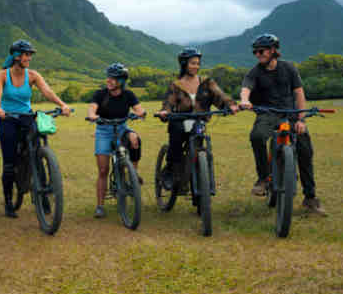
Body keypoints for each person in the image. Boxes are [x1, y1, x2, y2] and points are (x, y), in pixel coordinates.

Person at [239, 34, 326, 215]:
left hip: (290, 114)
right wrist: (244, 100)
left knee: (305, 151)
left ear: (273, 50)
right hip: (267, 114)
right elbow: (246, 88)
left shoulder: (289, 68)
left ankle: (310, 198)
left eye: (261, 51)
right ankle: (263, 178)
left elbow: (299, 95)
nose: (257, 54)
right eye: (255, 51)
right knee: (256, 136)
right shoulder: (255, 72)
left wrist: (301, 120)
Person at [0, 40, 71, 218]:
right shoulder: (2, 75)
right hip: (8, 119)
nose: (29, 58)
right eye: (26, 54)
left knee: (37, 154)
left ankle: (43, 199)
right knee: (9, 163)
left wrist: (62, 104)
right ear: (16, 56)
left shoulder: (33, 75)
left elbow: (47, 92)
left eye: (30, 55)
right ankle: (8, 202)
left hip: (27, 118)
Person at [157, 48, 238, 191]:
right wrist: (165, 112)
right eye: (192, 63)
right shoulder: (176, 84)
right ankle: (170, 170)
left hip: (199, 121)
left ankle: (199, 177)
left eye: (198, 63)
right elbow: (168, 103)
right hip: (180, 121)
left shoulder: (206, 82)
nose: (196, 66)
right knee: (176, 139)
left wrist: (230, 105)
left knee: (200, 144)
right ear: (184, 64)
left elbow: (220, 96)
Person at [87, 63, 146, 218]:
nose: (109, 80)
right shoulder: (100, 94)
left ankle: (132, 174)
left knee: (135, 139)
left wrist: (141, 113)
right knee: (103, 170)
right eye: (109, 77)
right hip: (104, 130)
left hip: (122, 128)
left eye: (113, 78)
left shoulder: (128, 95)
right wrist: (93, 116)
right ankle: (100, 206)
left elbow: (139, 109)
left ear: (121, 81)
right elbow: (92, 109)